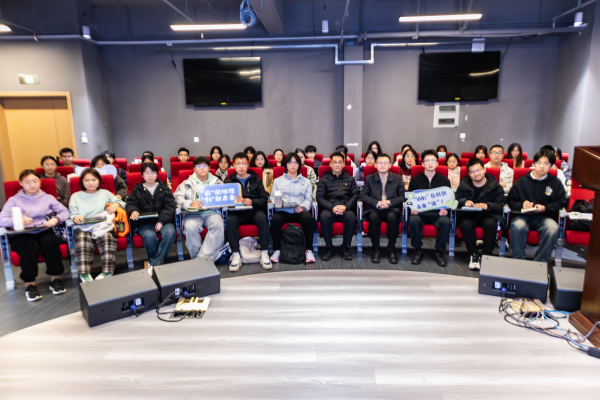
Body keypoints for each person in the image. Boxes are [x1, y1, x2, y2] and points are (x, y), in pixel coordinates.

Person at [0, 170, 70, 301]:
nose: (32, 185)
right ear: (21, 183)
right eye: (27, 182)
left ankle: (55, 280)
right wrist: (18, 221)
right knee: (29, 247)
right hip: (22, 233)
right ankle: (29, 285)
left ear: (40, 182)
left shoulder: (48, 197)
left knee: (50, 242)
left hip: (43, 230)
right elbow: (1, 219)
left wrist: (56, 219)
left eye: (35, 181)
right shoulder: (14, 200)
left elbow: (65, 211)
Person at [507, 150, 567, 262]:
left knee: (553, 228)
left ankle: (540, 263)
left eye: (546, 163)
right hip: (523, 216)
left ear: (552, 166)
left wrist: (545, 208)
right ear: (534, 164)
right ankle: (518, 261)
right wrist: (522, 205)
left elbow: (561, 202)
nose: (542, 166)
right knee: (517, 226)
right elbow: (510, 201)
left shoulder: (556, 183)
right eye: (539, 162)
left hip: (545, 217)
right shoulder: (521, 181)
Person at [69, 168, 126, 282]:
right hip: (83, 227)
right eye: (87, 180)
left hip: (102, 226)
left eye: (93, 180)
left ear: (99, 180)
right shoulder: (75, 196)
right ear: (82, 182)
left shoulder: (105, 193)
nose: (90, 183)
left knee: (108, 238)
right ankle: (84, 274)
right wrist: (75, 216)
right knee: (82, 240)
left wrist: (116, 204)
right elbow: (73, 214)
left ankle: (107, 271)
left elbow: (122, 203)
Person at [456, 159, 507, 270]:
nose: (476, 173)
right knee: (465, 224)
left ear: (484, 170)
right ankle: (473, 254)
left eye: (478, 170)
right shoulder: (463, 185)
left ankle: (486, 255)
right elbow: (455, 200)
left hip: (488, 214)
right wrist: (464, 201)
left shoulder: (496, 186)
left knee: (491, 224)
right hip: (470, 214)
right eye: (472, 171)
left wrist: (487, 205)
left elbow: (500, 205)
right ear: (469, 174)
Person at [226, 153, 272, 272]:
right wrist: (234, 202)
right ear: (233, 165)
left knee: (262, 218)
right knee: (230, 221)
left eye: (244, 163)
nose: (241, 166)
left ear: (248, 165)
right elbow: (225, 202)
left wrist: (252, 201)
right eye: (238, 164)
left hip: (254, 211)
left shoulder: (256, 180)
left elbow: (264, 199)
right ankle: (236, 255)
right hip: (238, 213)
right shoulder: (229, 181)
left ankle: (265, 253)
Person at [174, 157, 225, 261]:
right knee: (190, 227)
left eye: (204, 165)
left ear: (209, 168)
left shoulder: (217, 182)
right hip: (192, 214)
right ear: (194, 169)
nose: (202, 168)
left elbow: (224, 198)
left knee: (218, 225)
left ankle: (200, 261)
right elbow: (176, 199)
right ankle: (201, 261)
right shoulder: (186, 183)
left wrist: (213, 203)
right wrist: (190, 203)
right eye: (199, 166)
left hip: (212, 212)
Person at [269, 152, 316, 264]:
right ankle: (277, 250)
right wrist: (278, 203)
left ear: (299, 165)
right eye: (290, 162)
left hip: (299, 211)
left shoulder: (306, 181)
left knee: (308, 219)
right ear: (286, 164)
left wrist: (302, 207)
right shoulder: (278, 181)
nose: (293, 165)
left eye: (296, 162)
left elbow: (309, 199)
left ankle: (309, 250)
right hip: (283, 211)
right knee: (275, 219)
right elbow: (272, 197)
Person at [408, 150, 452, 266]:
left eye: (433, 160)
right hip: (420, 212)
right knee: (413, 220)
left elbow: (449, 200)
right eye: (427, 161)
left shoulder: (444, 180)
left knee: (446, 221)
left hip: (437, 213)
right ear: (422, 163)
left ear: (437, 163)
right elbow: (410, 199)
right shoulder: (415, 180)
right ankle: (418, 250)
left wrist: (446, 210)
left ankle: (439, 251)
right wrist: (412, 208)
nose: (430, 163)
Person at [127, 162, 176, 266]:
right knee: (149, 236)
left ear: (157, 174)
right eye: (147, 173)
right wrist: (133, 210)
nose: (150, 175)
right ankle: (158, 261)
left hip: (163, 220)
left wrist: (161, 221)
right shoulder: (136, 190)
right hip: (144, 222)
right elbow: (130, 203)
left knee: (170, 232)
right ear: (142, 175)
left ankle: (154, 262)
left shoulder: (164, 188)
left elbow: (170, 206)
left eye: (153, 172)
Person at [359, 153, 406, 264]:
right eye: (380, 163)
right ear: (375, 165)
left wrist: (390, 202)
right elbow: (362, 195)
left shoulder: (397, 178)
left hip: (391, 208)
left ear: (390, 165)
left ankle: (391, 249)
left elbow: (403, 196)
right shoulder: (369, 178)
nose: (383, 165)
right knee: (373, 218)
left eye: (385, 163)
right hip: (374, 208)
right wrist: (377, 203)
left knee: (392, 218)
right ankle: (376, 249)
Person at [316, 151, 358, 261]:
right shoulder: (324, 179)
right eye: (335, 162)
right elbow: (319, 197)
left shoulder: (350, 179)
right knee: (324, 217)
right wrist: (332, 207)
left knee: (351, 217)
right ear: (330, 164)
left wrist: (345, 206)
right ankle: (329, 247)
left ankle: (345, 247)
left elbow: (355, 196)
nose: (337, 165)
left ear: (344, 164)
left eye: (340, 162)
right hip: (329, 208)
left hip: (345, 208)